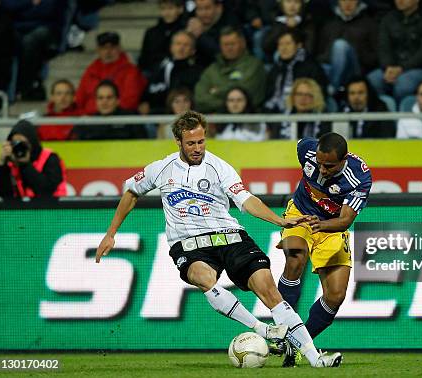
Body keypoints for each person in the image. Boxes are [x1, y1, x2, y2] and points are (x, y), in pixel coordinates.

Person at [95, 111, 342, 368]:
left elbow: (246, 201)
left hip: (228, 235)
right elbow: (132, 192)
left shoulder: (219, 167)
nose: (197, 148)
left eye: (201, 142)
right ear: (178, 142)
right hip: (188, 242)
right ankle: (262, 329)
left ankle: (315, 359)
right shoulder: (161, 168)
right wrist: (111, 233)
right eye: (191, 143)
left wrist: (279, 221)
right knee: (204, 278)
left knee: (267, 287)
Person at [275, 132, 371, 366]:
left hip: (332, 227)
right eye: (319, 164)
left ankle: (296, 344)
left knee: (335, 296)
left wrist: (321, 225)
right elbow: (301, 142)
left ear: (343, 159)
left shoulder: (359, 177)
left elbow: (345, 220)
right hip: (300, 214)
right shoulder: (306, 150)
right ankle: (284, 327)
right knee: (296, 257)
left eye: (329, 166)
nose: (322, 170)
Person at [367, 0, 422, 104]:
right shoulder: (388, 19)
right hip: (391, 68)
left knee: (403, 85)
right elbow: (383, 48)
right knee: (372, 81)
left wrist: (402, 68)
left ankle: (400, 117)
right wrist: (388, 67)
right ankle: (382, 113)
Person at [194, 26, 266, 113]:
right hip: (217, 121)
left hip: (248, 120)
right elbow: (199, 99)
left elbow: (248, 96)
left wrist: (216, 92)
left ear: (243, 43)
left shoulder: (254, 66)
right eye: (225, 45)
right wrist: (229, 103)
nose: (229, 48)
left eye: (233, 44)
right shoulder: (212, 69)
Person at [75, 31, 147, 114]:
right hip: (91, 119)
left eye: (112, 47)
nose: (108, 51)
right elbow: (80, 99)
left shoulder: (131, 71)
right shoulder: (91, 71)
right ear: (98, 50)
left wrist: (100, 111)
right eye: (104, 48)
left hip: (119, 119)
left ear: (119, 48)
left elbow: (130, 102)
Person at [0, 120, 67, 201]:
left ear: (32, 142)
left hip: (51, 210)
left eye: (23, 143)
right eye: (15, 143)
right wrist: (2, 164)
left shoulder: (50, 158)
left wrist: (25, 165)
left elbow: (46, 191)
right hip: (20, 212)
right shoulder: (11, 163)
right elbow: (4, 194)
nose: (19, 147)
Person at [316, 0, 379, 92]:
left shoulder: (369, 24)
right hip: (332, 67)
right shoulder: (329, 24)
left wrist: (358, 53)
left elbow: (376, 55)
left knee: (340, 46)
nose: (348, 4)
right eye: (344, 0)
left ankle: (333, 90)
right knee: (320, 68)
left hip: (356, 70)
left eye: (352, 0)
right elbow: (320, 53)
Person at [263, 28, 328, 114]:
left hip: (301, 113)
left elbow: (318, 96)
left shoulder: (312, 66)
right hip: (274, 113)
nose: (283, 48)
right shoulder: (275, 68)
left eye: (288, 43)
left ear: (299, 45)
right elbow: (269, 96)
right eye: (280, 44)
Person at [140, 30, 206, 114]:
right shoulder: (159, 68)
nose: (181, 48)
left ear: (193, 50)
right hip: (156, 115)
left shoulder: (198, 72)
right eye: (178, 44)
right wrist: (144, 102)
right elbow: (148, 91)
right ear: (171, 47)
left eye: (186, 45)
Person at [73, 80, 147, 140]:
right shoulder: (87, 123)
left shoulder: (131, 119)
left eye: (109, 97)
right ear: (96, 101)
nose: (104, 102)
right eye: (100, 98)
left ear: (117, 101)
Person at [138, 0, 188, 78]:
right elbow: (144, 58)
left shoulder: (186, 31)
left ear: (180, 9)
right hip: (153, 73)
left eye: (170, 8)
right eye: (163, 9)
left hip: (178, 72)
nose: (167, 13)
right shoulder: (151, 32)